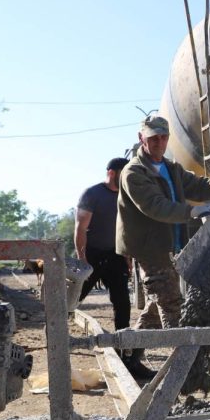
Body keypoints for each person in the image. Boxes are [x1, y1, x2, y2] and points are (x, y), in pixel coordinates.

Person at [116, 114, 210, 374]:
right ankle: (184, 373)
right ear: (142, 139)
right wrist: (194, 212)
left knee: (156, 307)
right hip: (149, 249)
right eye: (153, 138)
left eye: (163, 137)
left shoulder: (171, 168)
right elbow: (155, 206)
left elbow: (195, 185)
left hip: (168, 245)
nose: (159, 142)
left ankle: (128, 357)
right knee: (172, 305)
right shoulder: (133, 173)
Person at [74, 157, 151, 375]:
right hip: (91, 255)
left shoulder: (126, 196)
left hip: (116, 255)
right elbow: (80, 228)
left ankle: (124, 351)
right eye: (122, 172)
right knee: (73, 299)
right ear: (111, 173)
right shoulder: (92, 194)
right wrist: (82, 257)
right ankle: (57, 339)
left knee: (122, 303)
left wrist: (128, 257)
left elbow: (128, 229)